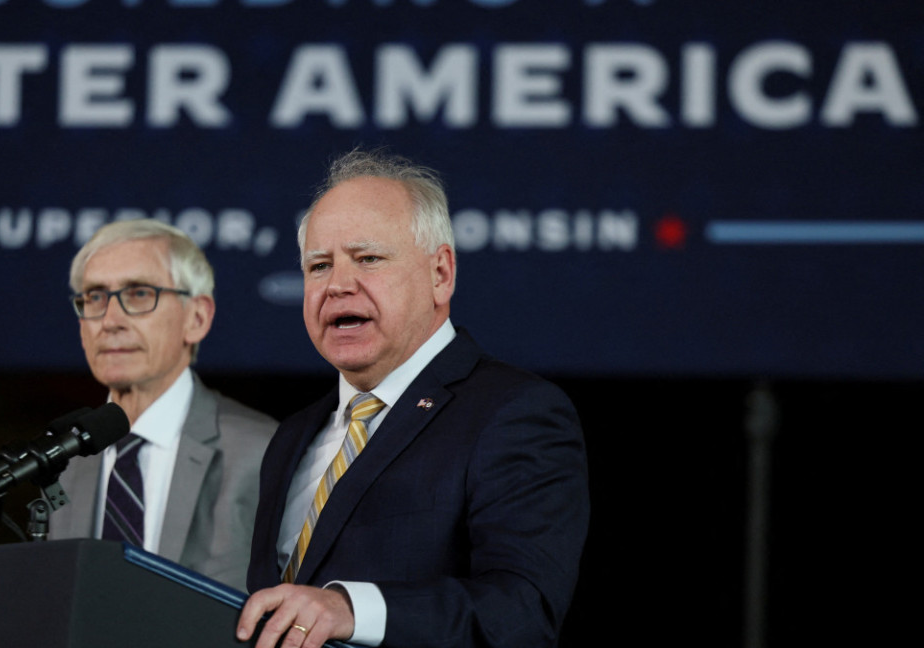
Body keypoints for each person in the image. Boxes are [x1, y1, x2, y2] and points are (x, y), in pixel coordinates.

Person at [236, 149, 590, 648]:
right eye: (318, 266)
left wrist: (351, 609)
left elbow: (521, 612)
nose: (337, 285)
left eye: (368, 259)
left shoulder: (513, 413)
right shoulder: (294, 434)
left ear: (440, 274)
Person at [48, 219, 276, 591]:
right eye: (94, 297)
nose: (109, 320)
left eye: (138, 294)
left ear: (197, 318)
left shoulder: (262, 453)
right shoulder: (65, 461)